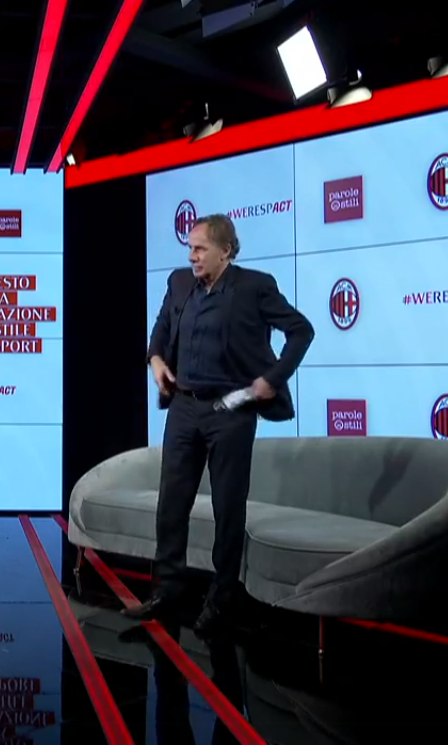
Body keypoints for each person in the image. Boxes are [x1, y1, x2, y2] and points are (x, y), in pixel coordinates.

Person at [127, 213, 313, 631]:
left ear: (225, 251)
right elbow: (162, 327)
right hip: (184, 407)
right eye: (189, 249)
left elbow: (301, 331)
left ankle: (222, 598)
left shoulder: (255, 287)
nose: (191, 256)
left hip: (231, 410)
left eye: (200, 249)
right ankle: (167, 591)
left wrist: (272, 379)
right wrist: (155, 360)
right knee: (171, 503)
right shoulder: (179, 283)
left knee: (228, 508)